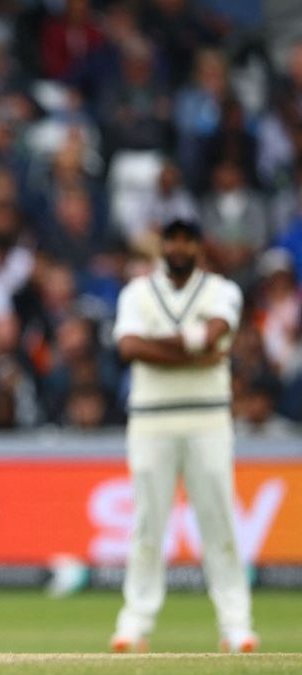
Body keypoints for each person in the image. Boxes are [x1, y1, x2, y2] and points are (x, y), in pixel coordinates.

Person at [109, 219, 257, 653]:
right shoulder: (137, 292)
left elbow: (216, 332)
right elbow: (129, 348)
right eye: (171, 239)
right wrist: (194, 351)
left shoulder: (222, 289)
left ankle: (237, 625)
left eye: (186, 239)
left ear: (197, 245)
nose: (178, 246)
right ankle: (134, 625)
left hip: (208, 420)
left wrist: (165, 346)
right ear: (162, 245)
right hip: (151, 420)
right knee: (147, 525)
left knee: (219, 522)